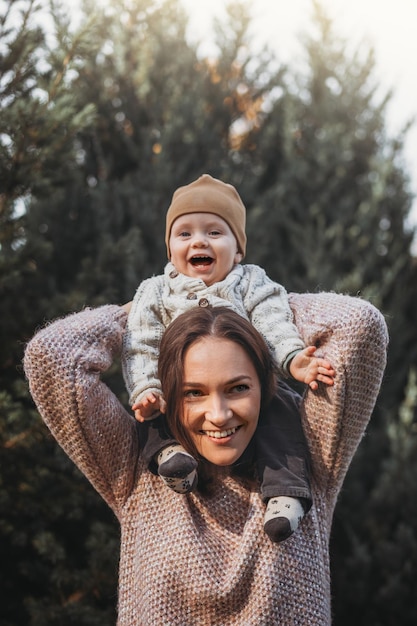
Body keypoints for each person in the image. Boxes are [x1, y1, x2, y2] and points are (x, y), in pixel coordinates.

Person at [23, 295, 387, 625]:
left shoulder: (312, 454)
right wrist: (138, 311)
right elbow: (52, 358)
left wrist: (263, 299)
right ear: (167, 395)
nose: (219, 414)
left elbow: (359, 325)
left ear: (264, 386)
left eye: (238, 388)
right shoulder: (135, 468)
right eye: (193, 393)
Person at [122, 173, 335, 542]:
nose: (199, 241)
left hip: (251, 383)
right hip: (175, 387)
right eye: (184, 233)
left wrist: (293, 358)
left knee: (282, 409)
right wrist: (144, 386)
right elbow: (140, 341)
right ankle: (171, 459)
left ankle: (286, 492)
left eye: (214, 232)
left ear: (238, 250)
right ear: (170, 249)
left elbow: (273, 320)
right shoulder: (155, 291)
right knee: (153, 411)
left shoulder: (250, 281)